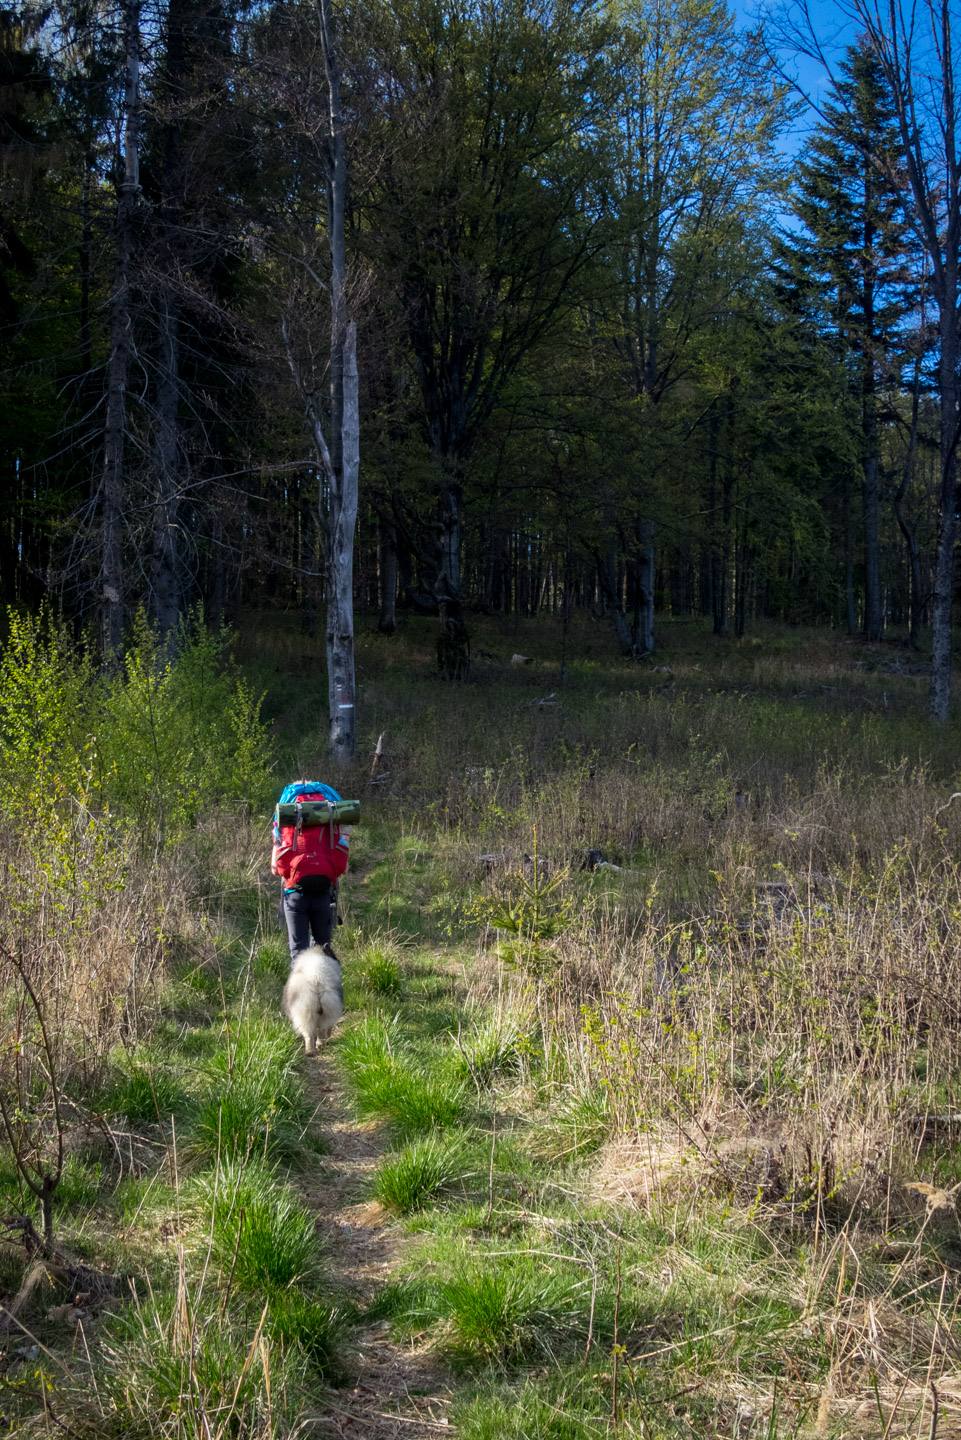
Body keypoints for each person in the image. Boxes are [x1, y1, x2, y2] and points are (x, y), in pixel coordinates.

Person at [271, 780, 350, 960]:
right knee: (322, 952)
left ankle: (300, 988)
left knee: (298, 954)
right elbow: (343, 867)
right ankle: (322, 988)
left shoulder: (286, 820)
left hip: (294, 894)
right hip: (324, 894)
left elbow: (276, 869)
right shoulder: (330, 819)